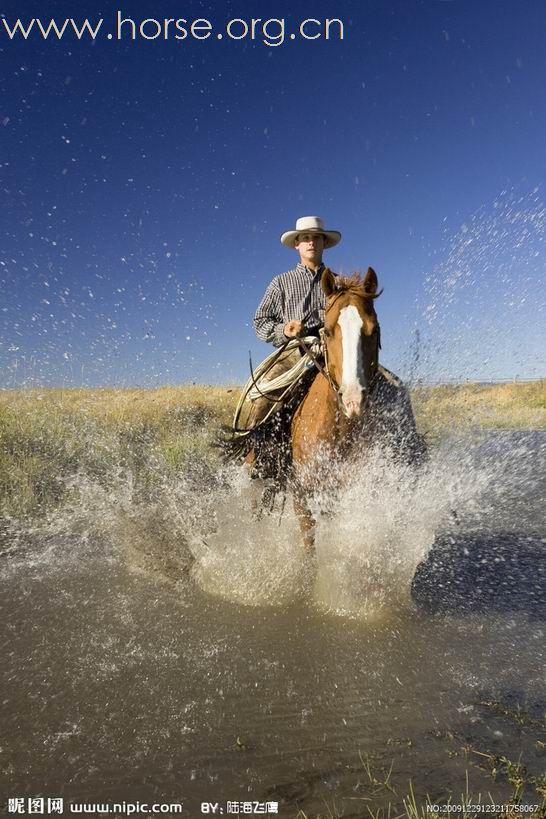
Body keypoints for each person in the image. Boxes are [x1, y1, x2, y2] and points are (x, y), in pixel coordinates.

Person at [245, 216, 341, 429]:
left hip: (333, 351)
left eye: (316, 238)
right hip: (294, 354)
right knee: (265, 396)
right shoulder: (281, 282)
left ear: (324, 243)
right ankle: (254, 452)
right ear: (296, 244)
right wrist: (284, 329)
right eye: (305, 238)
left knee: (387, 384)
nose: (311, 243)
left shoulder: (339, 282)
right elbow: (260, 321)